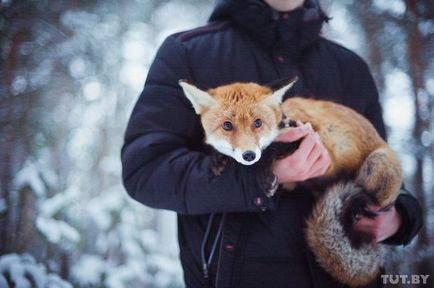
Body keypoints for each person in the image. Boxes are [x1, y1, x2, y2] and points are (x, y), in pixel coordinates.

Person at [121, 0, 423, 287]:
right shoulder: (188, 52)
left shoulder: (350, 67)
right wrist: (264, 175)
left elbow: (382, 159)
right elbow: (145, 171)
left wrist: (398, 218)